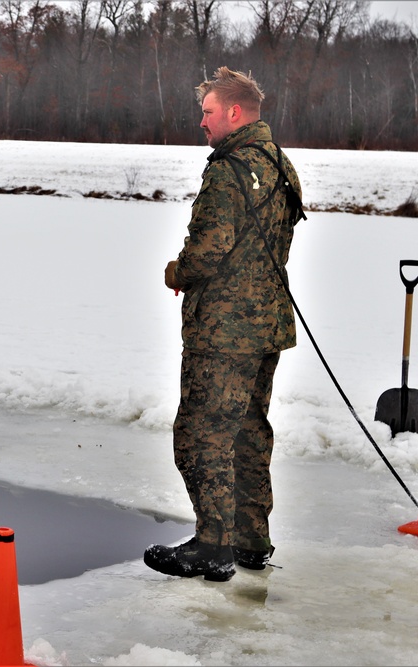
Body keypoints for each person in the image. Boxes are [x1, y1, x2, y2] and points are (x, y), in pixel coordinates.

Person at [144, 67, 305, 582]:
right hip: (267, 325)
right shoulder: (281, 165)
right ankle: (251, 540)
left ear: (234, 113)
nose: (202, 122)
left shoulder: (227, 169)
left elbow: (209, 249)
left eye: (209, 112)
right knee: (249, 432)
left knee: (202, 434)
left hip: (224, 331)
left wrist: (177, 272)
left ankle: (213, 545)